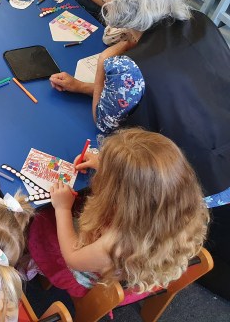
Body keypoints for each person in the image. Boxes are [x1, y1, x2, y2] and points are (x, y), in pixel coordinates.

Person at [49, 0, 230, 296]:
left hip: (185, 187)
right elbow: (182, 87)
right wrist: (83, 85)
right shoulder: (202, 22)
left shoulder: (125, 67)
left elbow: (104, 124)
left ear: (120, 6)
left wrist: (104, 61)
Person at [28, 128, 209, 299]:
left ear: (126, 197)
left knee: (42, 221)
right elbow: (147, 182)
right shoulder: (177, 206)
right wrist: (109, 166)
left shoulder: (115, 243)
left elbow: (72, 258)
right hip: (138, 258)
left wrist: (63, 209)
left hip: (89, 271)